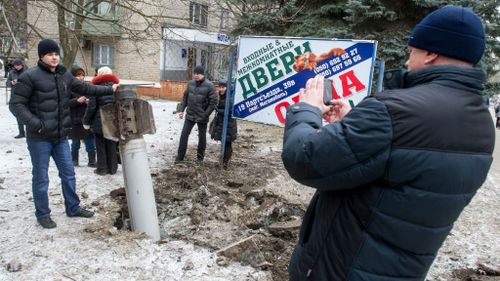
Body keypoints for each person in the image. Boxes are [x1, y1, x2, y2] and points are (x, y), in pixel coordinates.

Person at [281, 6, 494, 281]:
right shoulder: (482, 123)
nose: (407, 61)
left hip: (341, 270)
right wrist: (354, 123)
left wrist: (306, 109)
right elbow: (402, 167)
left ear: (430, 54)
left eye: (412, 51)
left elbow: (305, 159)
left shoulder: (394, 111)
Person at [9, 39, 119, 229]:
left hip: (60, 137)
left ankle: (73, 207)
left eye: (56, 53)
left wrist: (109, 88)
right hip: (39, 138)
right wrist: (36, 124)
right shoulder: (29, 76)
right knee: (41, 177)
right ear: (41, 56)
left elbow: (85, 88)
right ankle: (43, 214)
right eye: (50, 54)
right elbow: (16, 104)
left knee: (69, 174)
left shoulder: (63, 75)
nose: (54, 57)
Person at [175, 66, 217, 163]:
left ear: (203, 74)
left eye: (198, 73)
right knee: (184, 135)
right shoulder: (190, 84)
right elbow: (185, 98)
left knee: (202, 137)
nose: (196, 75)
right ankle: (179, 157)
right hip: (190, 115)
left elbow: (213, 103)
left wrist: (205, 115)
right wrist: (181, 109)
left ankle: (200, 158)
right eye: (195, 73)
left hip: (202, 116)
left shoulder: (210, 85)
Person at [83, 66, 120, 175]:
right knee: (112, 145)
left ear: (99, 75)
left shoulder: (95, 88)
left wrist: (86, 121)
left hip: (100, 123)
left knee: (100, 146)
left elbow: (91, 107)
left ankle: (102, 169)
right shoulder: (117, 88)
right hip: (114, 122)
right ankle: (113, 169)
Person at [68, 66, 96, 167]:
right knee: (75, 143)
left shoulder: (87, 87)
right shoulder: (68, 88)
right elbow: (64, 103)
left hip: (86, 118)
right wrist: (77, 100)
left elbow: (94, 99)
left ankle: (92, 161)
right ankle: (74, 161)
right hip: (74, 119)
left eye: (82, 75)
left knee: (90, 142)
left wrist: (90, 101)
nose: (81, 77)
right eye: (78, 75)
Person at [210, 79, 237, 169]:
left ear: (227, 88)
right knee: (224, 142)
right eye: (220, 87)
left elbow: (230, 111)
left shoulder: (230, 97)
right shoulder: (223, 95)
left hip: (229, 123)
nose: (221, 89)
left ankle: (225, 163)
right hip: (222, 122)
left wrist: (218, 110)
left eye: (223, 87)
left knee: (227, 143)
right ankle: (224, 161)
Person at [6, 58, 28, 138]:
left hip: (25, 95)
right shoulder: (12, 72)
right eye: (15, 65)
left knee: (27, 113)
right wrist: (11, 82)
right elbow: (7, 83)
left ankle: (30, 131)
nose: (17, 67)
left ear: (22, 65)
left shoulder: (27, 71)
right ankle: (21, 132)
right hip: (15, 95)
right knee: (17, 113)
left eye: (18, 65)